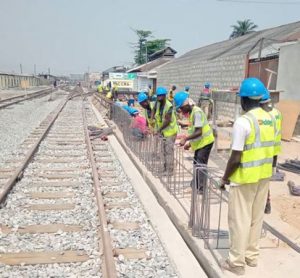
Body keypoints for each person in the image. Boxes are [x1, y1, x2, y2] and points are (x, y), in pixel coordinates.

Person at [220, 78, 275, 275]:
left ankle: (236, 263)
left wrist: (225, 178)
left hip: (244, 178)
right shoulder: (271, 119)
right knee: (255, 218)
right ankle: (251, 257)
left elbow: (235, 157)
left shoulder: (243, 122)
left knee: (239, 220)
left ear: (243, 100)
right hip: (264, 177)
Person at [174, 92, 214, 193]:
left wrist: (185, 139)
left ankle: (200, 188)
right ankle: (196, 185)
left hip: (206, 142)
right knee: (197, 164)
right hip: (201, 143)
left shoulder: (197, 112)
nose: (182, 111)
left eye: (182, 108)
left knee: (200, 165)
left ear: (186, 104)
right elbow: (194, 131)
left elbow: (199, 132)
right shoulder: (192, 113)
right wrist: (190, 144)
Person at [259, 90, 283, 214]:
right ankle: (267, 204)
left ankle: (265, 203)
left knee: (262, 179)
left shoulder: (265, 116)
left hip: (265, 151)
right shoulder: (277, 113)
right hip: (274, 151)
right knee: (267, 178)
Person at [152, 86, 179, 172]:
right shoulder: (158, 102)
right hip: (163, 132)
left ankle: (169, 170)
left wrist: (158, 130)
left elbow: (167, 121)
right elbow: (153, 110)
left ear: (165, 96)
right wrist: (152, 120)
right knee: (163, 151)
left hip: (170, 132)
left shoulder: (169, 106)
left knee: (168, 151)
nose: (159, 97)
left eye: (161, 96)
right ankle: (164, 168)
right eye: (158, 96)